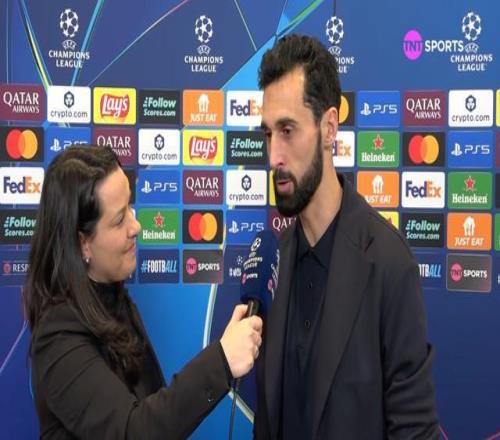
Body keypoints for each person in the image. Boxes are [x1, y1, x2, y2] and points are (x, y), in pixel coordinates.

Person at [254, 34, 439, 439]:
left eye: (288, 130)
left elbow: (415, 430)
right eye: (268, 135)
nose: (274, 157)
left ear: (329, 127)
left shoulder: (389, 265)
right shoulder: (271, 264)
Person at [23, 145, 262, 439]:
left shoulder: (113, 301)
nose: (135, 226)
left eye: (130, 207)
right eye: (119, 219)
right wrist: (222, 361)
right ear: (83, 244)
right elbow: (132, 431)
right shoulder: (58, 338)